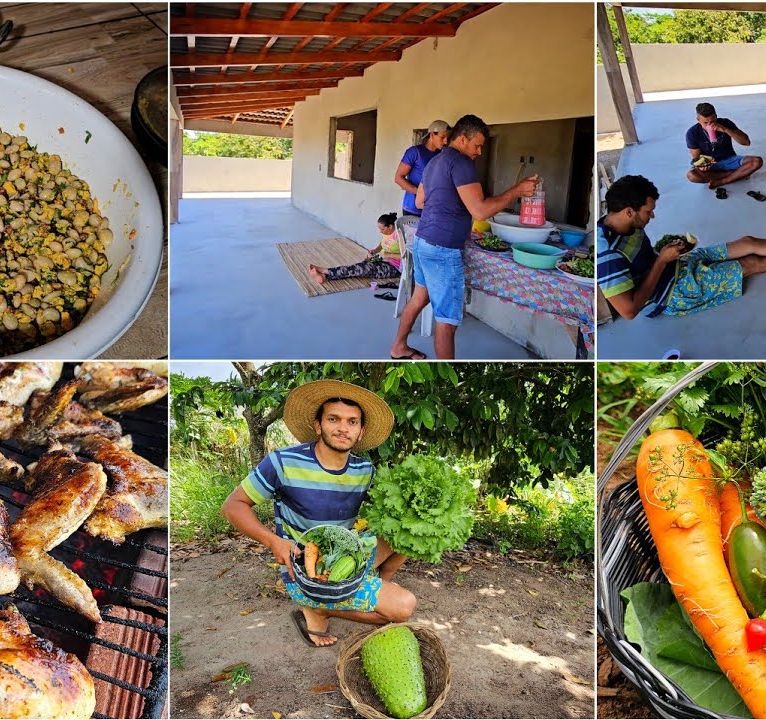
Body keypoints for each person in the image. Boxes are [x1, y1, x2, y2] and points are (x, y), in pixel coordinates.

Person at [220, 379, 415, 648]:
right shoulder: (283, 462)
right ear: (318, 425)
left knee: (408, 530)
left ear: (361, 432)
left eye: (352, 422)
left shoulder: (365, 470)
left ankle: (379, 584)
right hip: (307, 569)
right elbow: (233, 505)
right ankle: (318, 608)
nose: (342, 429)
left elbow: (386, 517)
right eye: (334, 419)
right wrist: (274, 541)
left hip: (346, 555)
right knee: (404, 608)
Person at [390, 114, 538, 360]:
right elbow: (479, 210)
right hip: (443, 250)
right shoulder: (461, 163)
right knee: (447, 321)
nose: (479, 152)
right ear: (461, 139)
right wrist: (517, 190)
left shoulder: (434, 163)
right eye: (477, 145)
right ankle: (445, 381)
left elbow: (419, 201)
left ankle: (398, 346)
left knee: (418, 298)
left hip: (423, 241)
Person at [597, 175, 766, 319]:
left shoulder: (626, 224)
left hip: (675, 267)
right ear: (629, 212)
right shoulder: (608, 255)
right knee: (749, 264)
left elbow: (645, 260)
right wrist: (661, 261)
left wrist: (666, 253)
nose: (653, 216)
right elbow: (629, 311)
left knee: (748, 242)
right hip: (670, 294)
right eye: (648, 212)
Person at [684, 102, 763, 189]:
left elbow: (746, 142)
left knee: (757, 161)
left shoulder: (725, 123)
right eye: (705, 123)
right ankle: (735, 174)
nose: (710, 125)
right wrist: (704, 165)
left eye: (713, 121)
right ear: (698, 120)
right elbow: (697, 157)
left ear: (716, 116)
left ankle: (722, 181)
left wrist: (725, 129)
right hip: (711, 165)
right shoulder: (692, 133)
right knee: (692, 175)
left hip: (730, 159)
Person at [309, 213, 403, 285]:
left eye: (382, 229)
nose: (380, 231)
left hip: (394, 267)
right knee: (357, 267)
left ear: (390, 227)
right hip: (382, 260)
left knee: (359, 269)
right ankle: (325, 276)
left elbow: (407, 256)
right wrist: (375, 250)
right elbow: (383, 244)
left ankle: (325, 271)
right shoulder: (387, 233)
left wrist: (389, 255)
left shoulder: (400, 237)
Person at [393, 120, 449, 217]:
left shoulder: (441, 155)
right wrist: (421, 194)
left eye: (447, 137)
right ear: (432, 135)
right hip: (413, 208)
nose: (446, 141)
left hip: (432, 209)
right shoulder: (415, 152)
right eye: (442, 137)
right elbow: (398, 178)